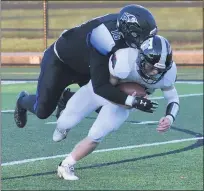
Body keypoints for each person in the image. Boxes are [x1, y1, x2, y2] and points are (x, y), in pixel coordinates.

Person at [53, 35, 180, 180]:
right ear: (141, 58)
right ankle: (63, 124)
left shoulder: (167, 74)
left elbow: (173, 98)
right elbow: (106, 90)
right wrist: (132, 99)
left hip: (125, 104)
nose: (154, 73)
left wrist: (170, 118)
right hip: (100, 91)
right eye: (151, 67)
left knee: (97, 134)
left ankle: (66, 164)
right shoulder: (125, 60)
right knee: (65, 122)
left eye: (160, 71)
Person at [14, 4, 158, 128]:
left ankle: (66, 97)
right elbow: (100, 87)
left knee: (106, 108)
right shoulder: (103, 38)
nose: (144, 42)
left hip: (88, 64)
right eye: (141, 36)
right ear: (128, 31)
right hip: (61, 63)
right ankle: (22, 100)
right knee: (42, 111)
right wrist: (132, 100)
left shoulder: (123, 27)